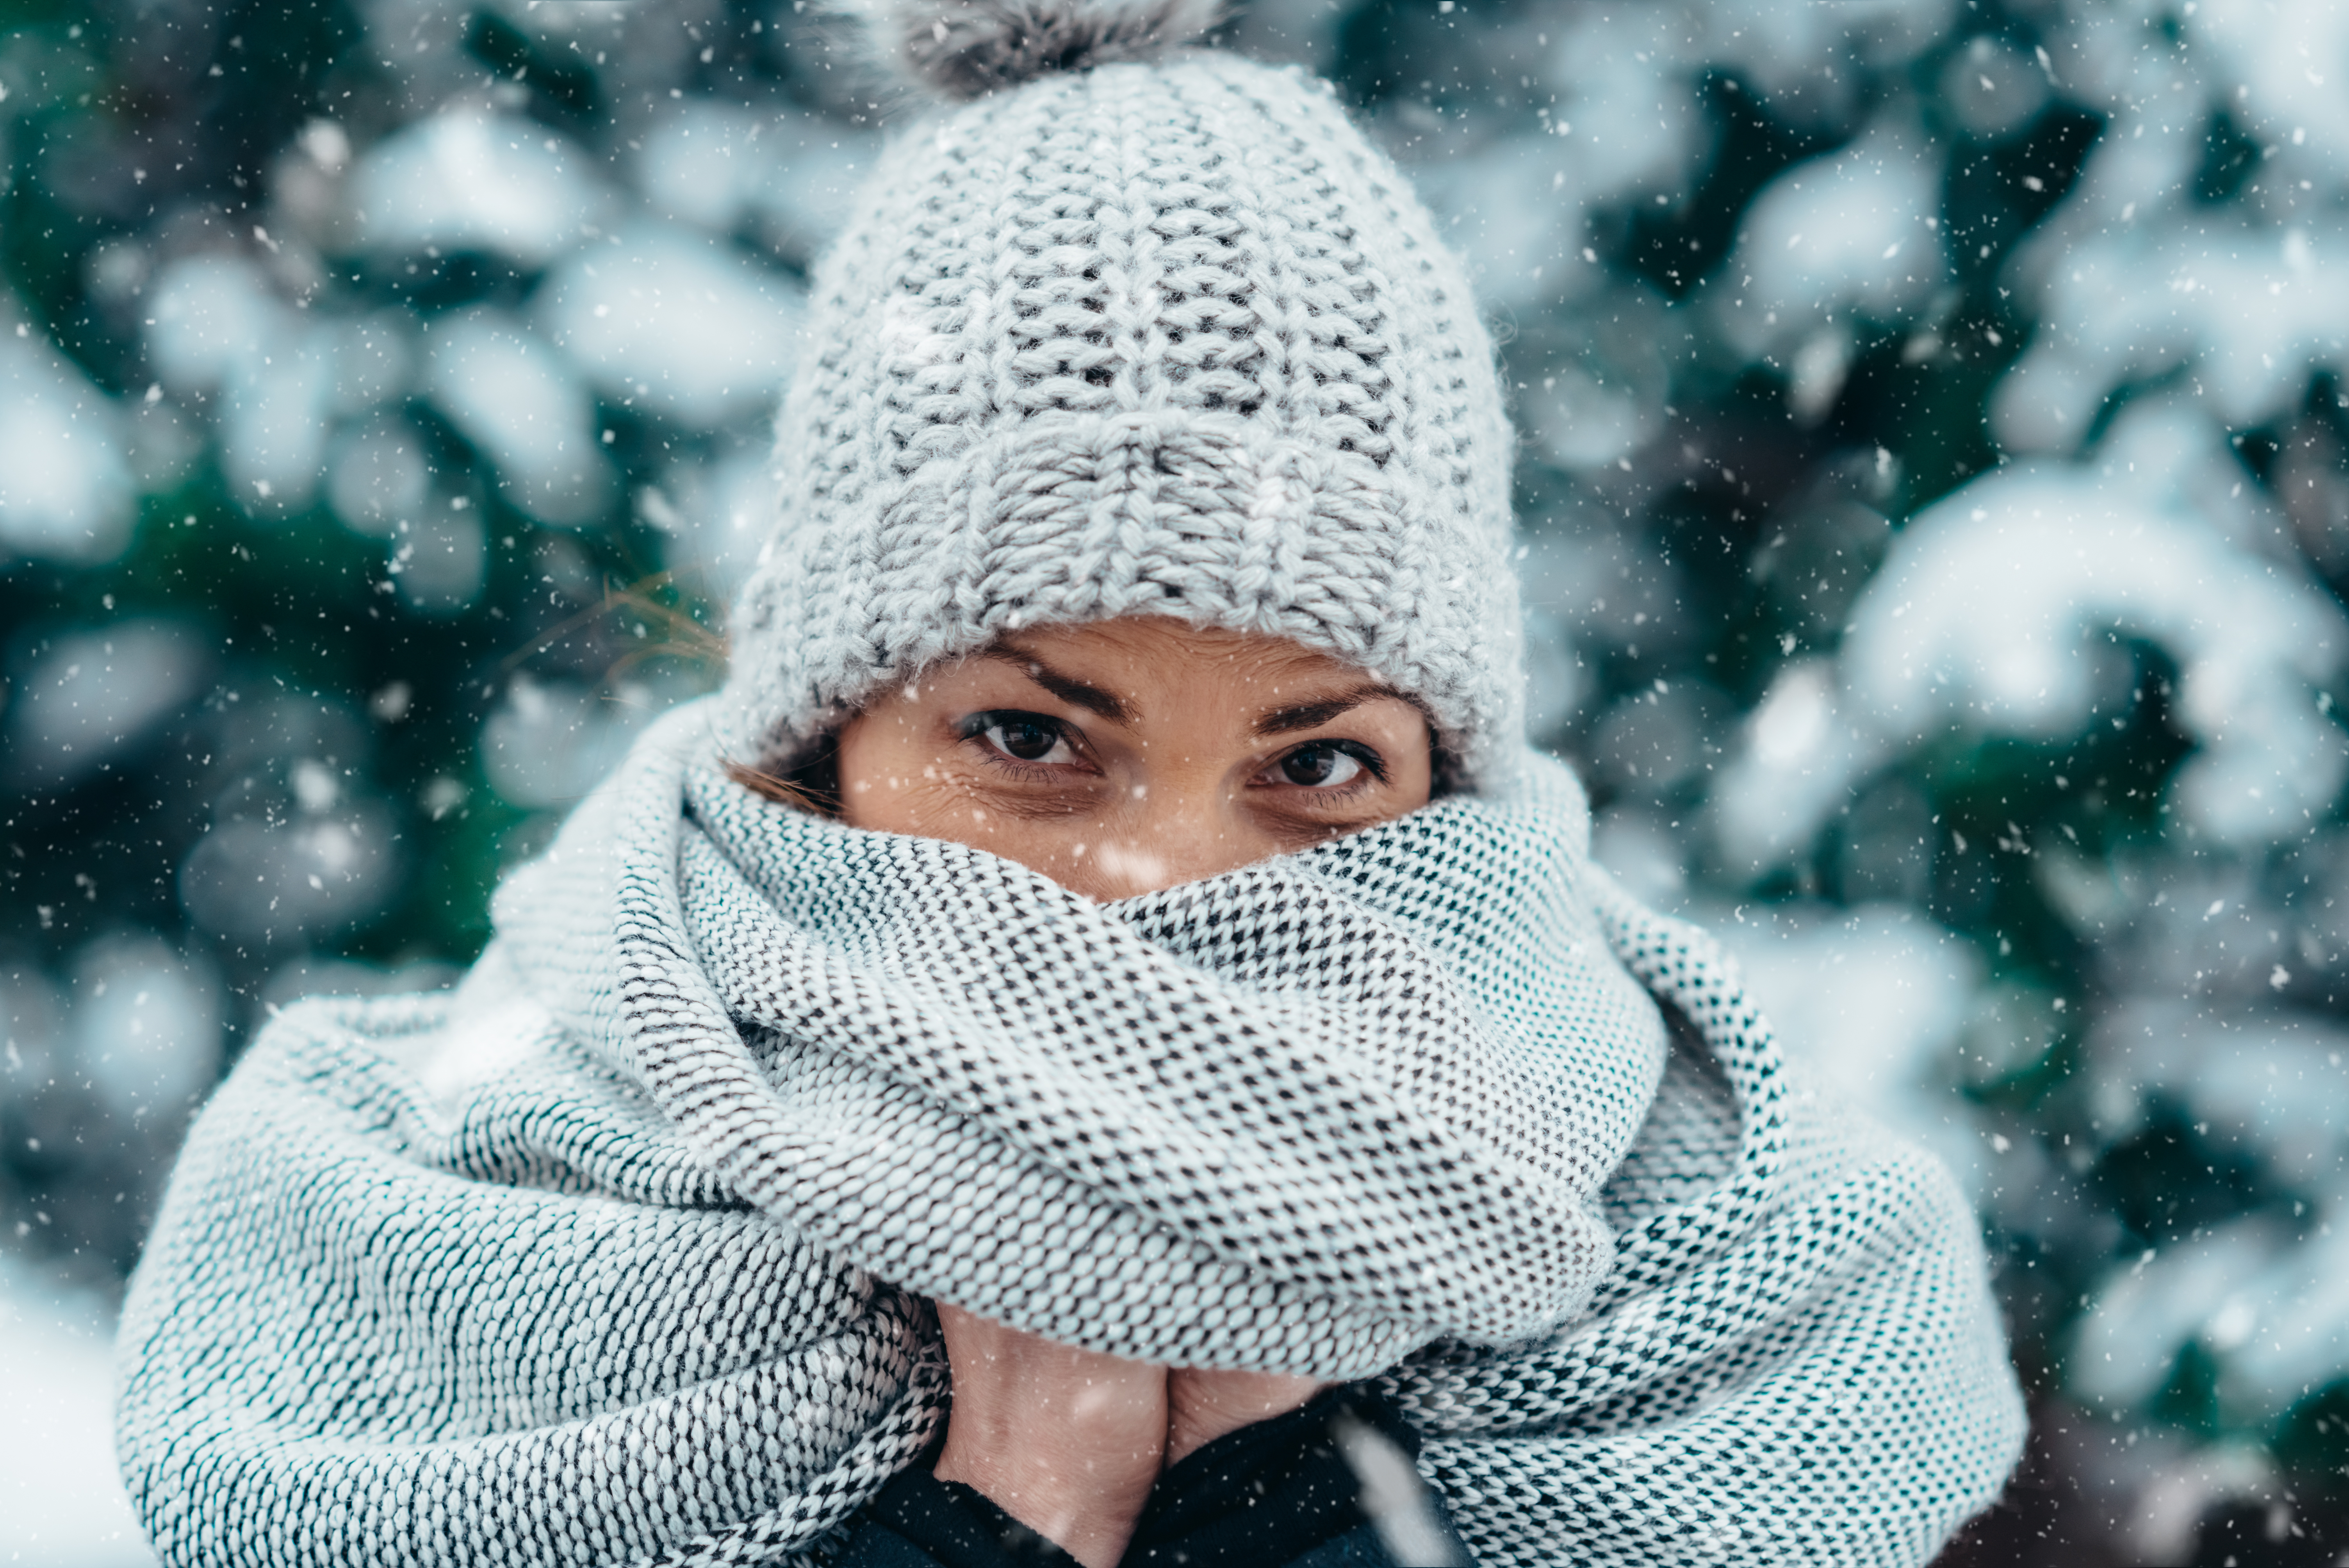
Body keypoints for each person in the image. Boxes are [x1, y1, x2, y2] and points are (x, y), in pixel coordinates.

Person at [115, 4, 2028, 1566]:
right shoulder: (395, 1279)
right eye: (1032, 738)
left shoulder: (1765, 1336)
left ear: (1453, 791)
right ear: (821, 740)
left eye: (1320, 763)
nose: (1161, 878)